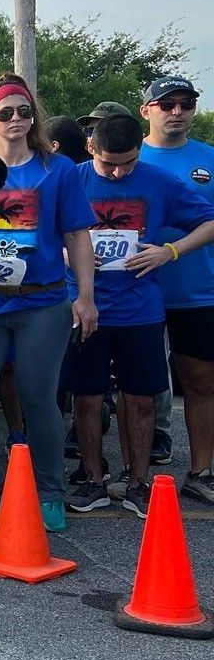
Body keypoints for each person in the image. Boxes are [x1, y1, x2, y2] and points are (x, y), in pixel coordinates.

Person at [0, 74, 97, 532]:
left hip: (42, 303)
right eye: (5, 112)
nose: (16, 119)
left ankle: (50, 491)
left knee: (37, 396)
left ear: (33, 117)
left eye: (24, 111)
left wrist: (85, 296)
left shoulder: (57, 170)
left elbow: (77, 235)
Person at [64, 115, 214, 517]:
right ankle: (93, 479)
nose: (118, 172)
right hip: (87, 306)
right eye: (109, 163)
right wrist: (68, 254)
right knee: (88, 397)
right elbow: (39, 232)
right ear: (91, 147)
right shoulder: (72, 179)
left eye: (127, 163)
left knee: (140, 398)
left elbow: (209, 221)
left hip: (140, 309)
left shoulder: (159, 181)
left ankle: (139, 483)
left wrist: (170, 251)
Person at [137, 76, 214, 503]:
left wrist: (171, 251)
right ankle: (137, 476)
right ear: (146, 110)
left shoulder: (208, 158)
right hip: (133, 293)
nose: (178, 111)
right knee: (139, 387)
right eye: (167, 104)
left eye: (186, 104)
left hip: (196, 290)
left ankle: (201, 471)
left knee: (201, 382)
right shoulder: (127, 155)